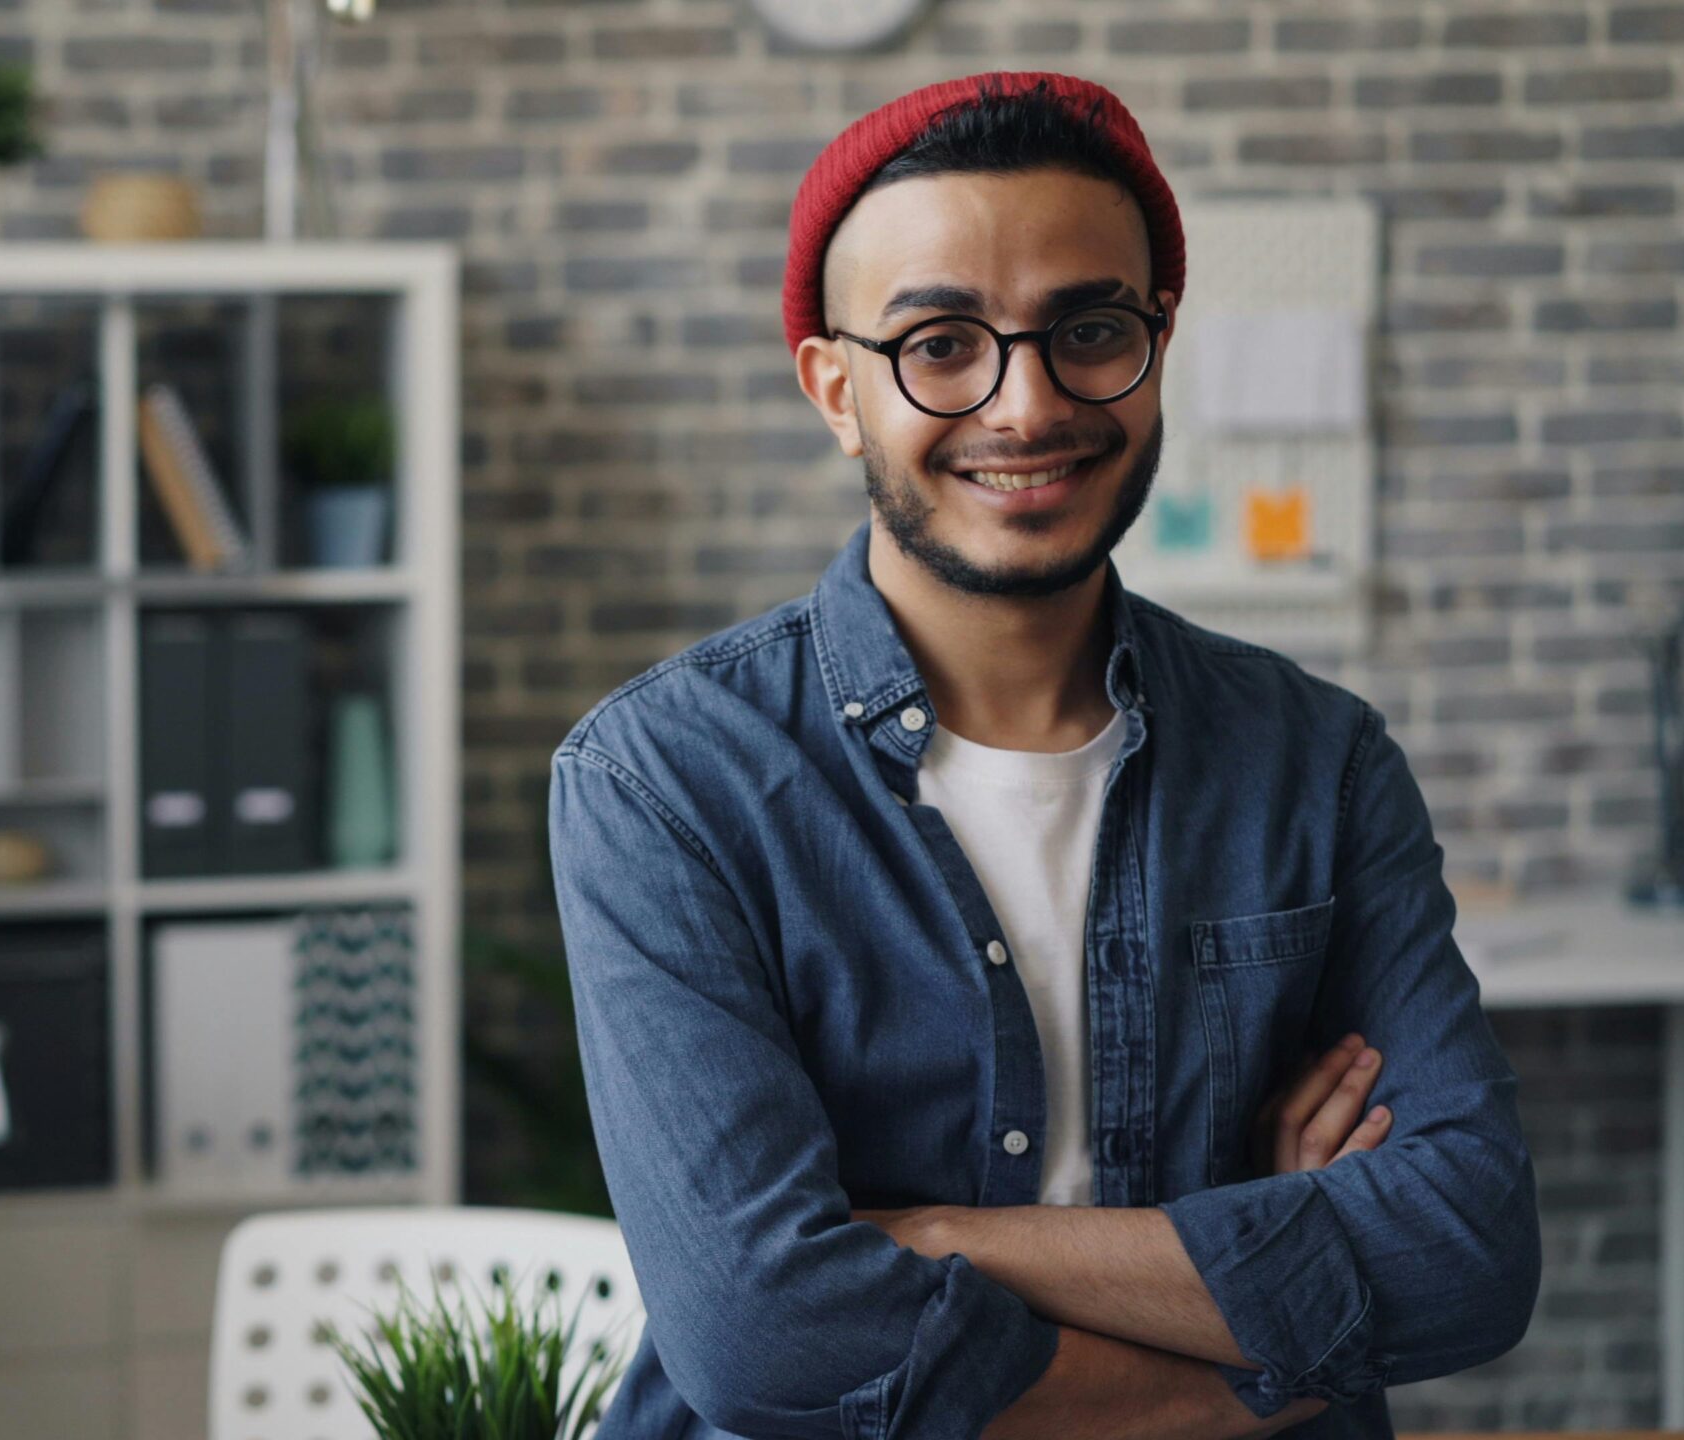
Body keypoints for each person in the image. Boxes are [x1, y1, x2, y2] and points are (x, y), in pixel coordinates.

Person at [549, 72, 1539, 1440]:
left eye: (1085, 329)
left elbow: (1471, 1251)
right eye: (940, 344)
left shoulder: (1321, 762)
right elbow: (761, 1333)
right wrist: (1279, 1345)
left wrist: (948, 1237)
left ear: (1156, 340)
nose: (1025, 406)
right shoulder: (664, 782)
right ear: (836, 389)